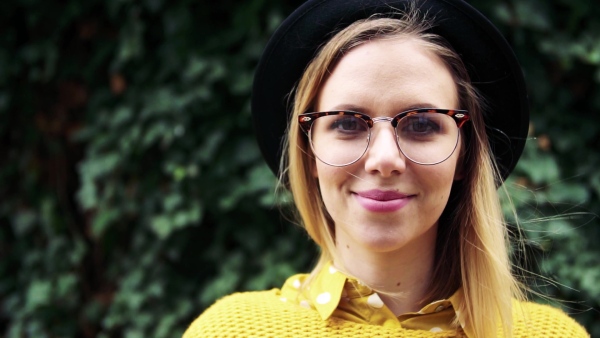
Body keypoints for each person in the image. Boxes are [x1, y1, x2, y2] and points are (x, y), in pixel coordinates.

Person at [183, 0, 590, 337]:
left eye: (421, 124)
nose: (383, 160)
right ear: (308, 152)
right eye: (346, 123)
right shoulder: (232, 330)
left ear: (464, 154)